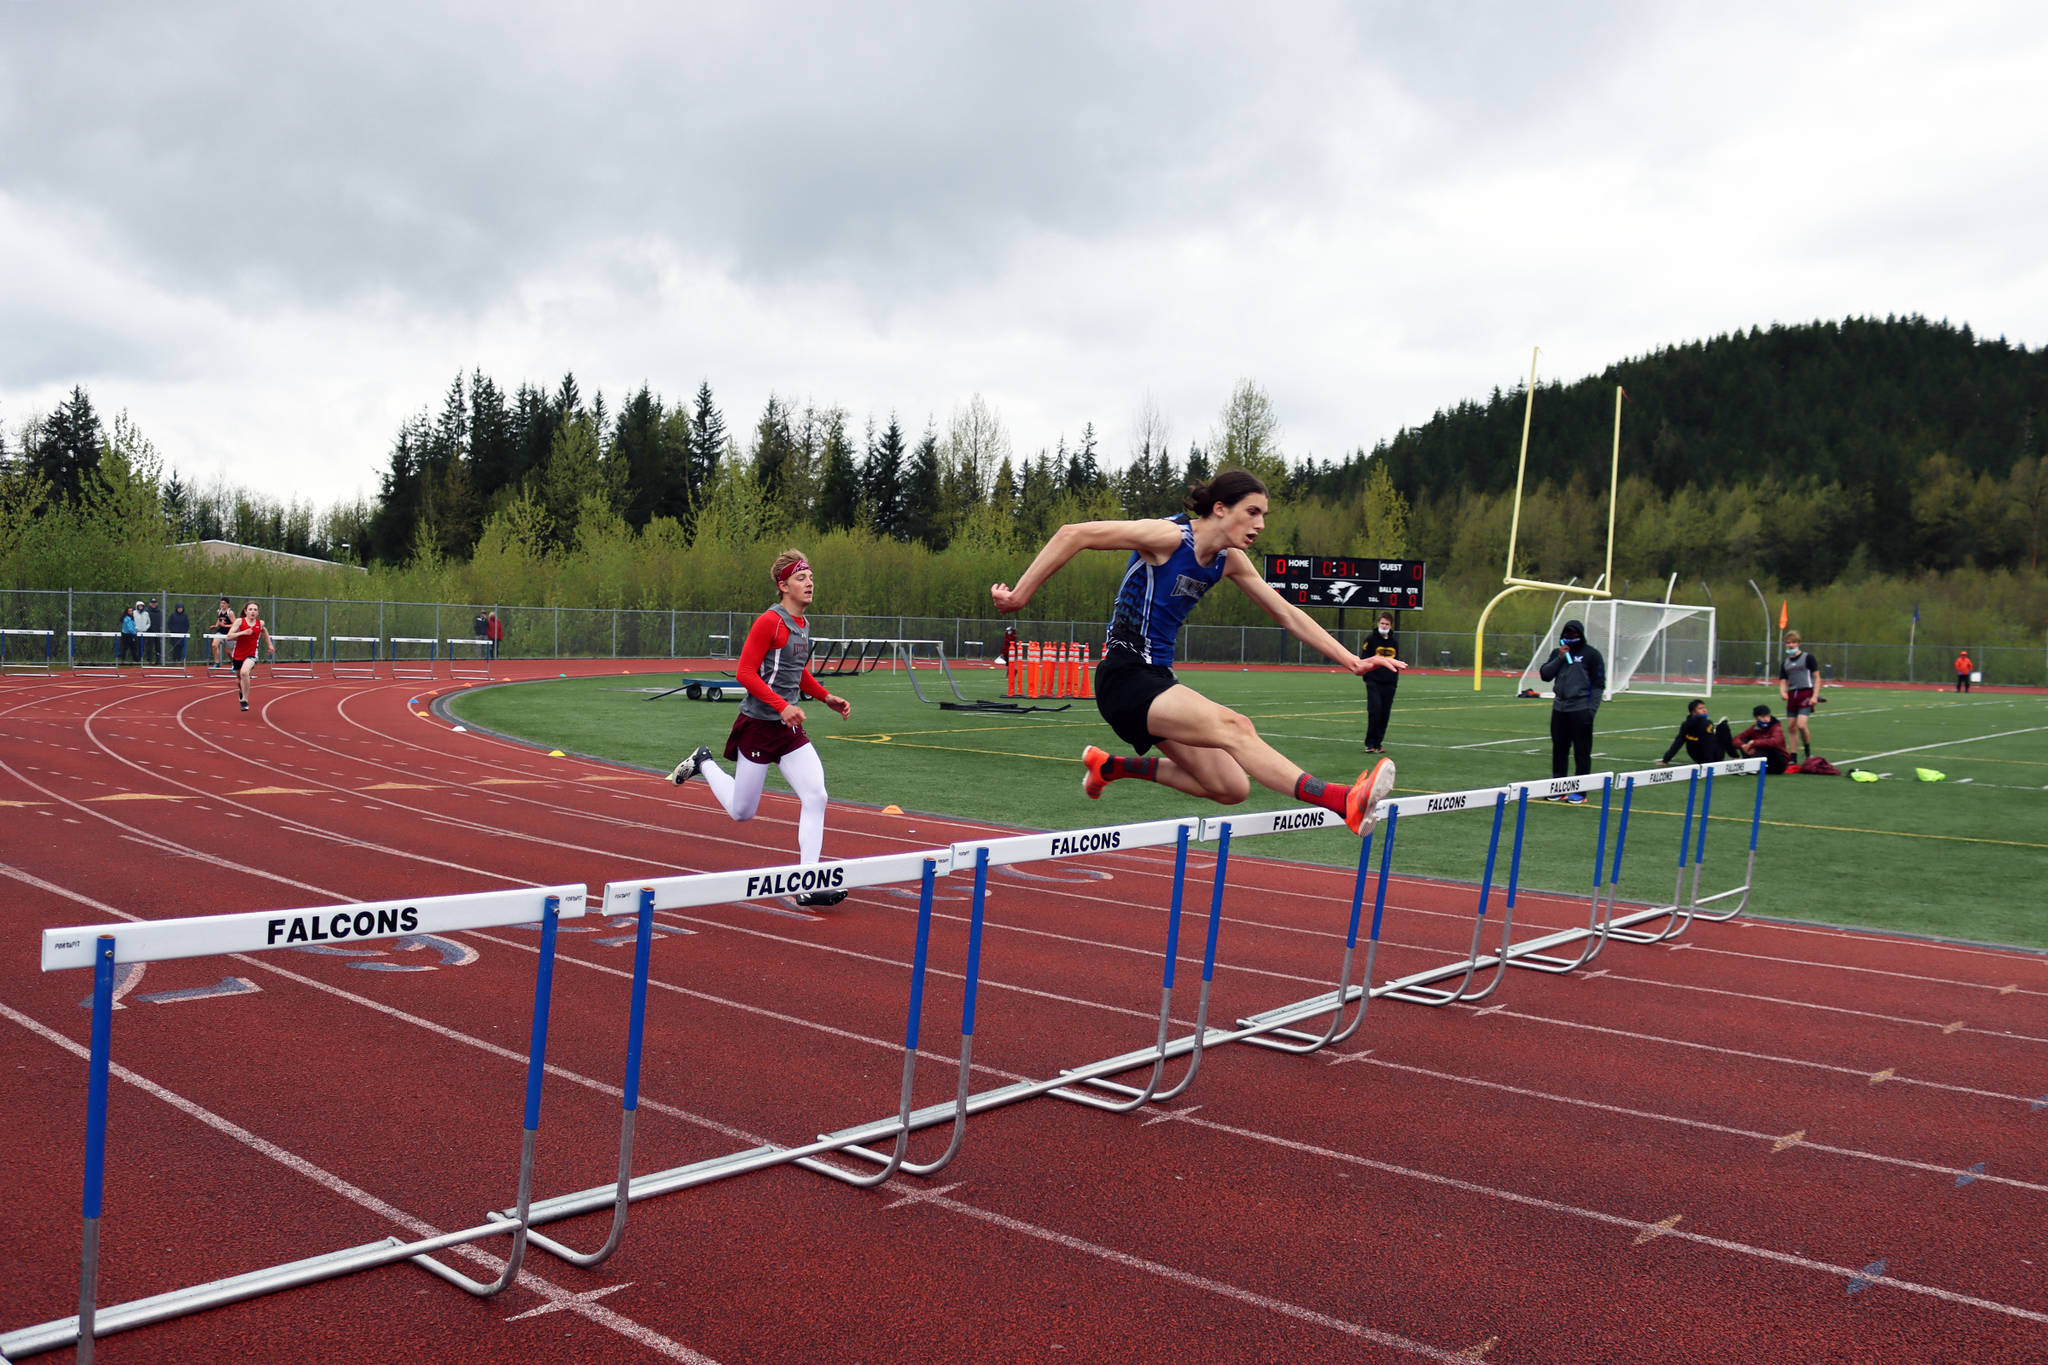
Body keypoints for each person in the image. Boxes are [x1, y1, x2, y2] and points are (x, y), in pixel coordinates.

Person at [990, 469, 1398, 833]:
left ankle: (1111, 766)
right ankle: (1342, 800)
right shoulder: (1169, 538)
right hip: (1125, 676)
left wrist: (1353, 660)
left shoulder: (1230, 561)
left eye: (1264, 516)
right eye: (1252, 512)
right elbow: (1073, 533)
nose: (1259, 524)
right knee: (1235, 727)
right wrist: (1019, 596)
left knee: (1231, 787)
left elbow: (1287, 613)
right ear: (1220, 508)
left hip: (1157, 680)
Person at [667, 549, 853, 907]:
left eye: (811, 576)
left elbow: (795, 672)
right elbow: (744, 673)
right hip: (757, 726)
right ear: (783, 586)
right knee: (742, 812)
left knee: (817, 796)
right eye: (801, 578)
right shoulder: (771, 622)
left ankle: (807, 883)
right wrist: (782, 706)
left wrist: (826, 696)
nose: (810, 582)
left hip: (787, 728)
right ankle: (703, 761)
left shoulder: (803, 626)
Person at [1537, 618, 1604, 802]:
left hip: (1581, 708)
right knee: (1559, 749)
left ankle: (1581, 791)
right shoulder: (1557, 653)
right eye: (1567, 633)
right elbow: (1545, 675)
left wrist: (1591, 710)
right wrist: (1560, 657)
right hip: (1559, 708)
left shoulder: (1592, 655)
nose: (1570, 637)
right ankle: (1558, 787)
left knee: (1582, 751)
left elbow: (1598, 685)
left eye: (1574, 634)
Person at [1361, 612, 1406, 753]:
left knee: (1385, 713)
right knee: (1375, 710)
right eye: (1382, 623)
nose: (1384, 626)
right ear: (1378, 623)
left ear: (1390, 625)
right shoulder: (1370, 639)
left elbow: (1396, 662)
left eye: (1387, 624)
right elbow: (1364, 659)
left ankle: (1379, 743)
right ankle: (1370, 743)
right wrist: (1368, 677)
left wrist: (1394, 680)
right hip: (1374, 681)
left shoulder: (1394, 642)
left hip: (1389, 683)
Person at [1778, 630, 1822, 763]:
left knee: (1801, 725)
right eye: (1788, 643)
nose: (1790, 645)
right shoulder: (1785, 663)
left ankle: (1808, 751)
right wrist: (1783, 692)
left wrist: (1815, 696)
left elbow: (1817, 678)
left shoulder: (1808, 658)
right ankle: (1793, 756)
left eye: (1793, 642)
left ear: (1798, 643)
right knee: (1791, 726)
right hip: (1793, 695)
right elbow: (1783, 680)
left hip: (1805, 693)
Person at [1659, 698, 1738, 766]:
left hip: (1696, 757)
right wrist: (1709, 764)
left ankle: (1734, 756)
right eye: (1700, 708)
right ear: (1693, 712)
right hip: (1711, 759)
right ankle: (1735, 756)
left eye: (1704, 707)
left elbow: (1678, 742)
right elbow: (1708, 745)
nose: (1704, 710)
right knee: (1723, 727)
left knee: (1715, 733)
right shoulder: (1707, 723)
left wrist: (1665, 760)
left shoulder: (1685, 724)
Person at [224, 601, 271, 712]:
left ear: (258, 612)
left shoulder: (261, 623)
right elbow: (228, 637)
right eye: (250, 609)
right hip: (238, 654)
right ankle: (241, 691)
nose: (252, 612)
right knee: (239, 680)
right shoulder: (240, 621)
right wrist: (242, 633)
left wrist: (270, 645)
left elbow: (264, 632)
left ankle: (245, 700)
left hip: (252, 654)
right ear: (246, 611)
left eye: (255, 610)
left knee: (244, 672)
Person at [1734, 703, 1794, 774]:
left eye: (1768, 716)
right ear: (1756, 718)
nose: (1766, 719)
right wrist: (1743, 746)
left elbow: (1775, 742)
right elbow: (1736, 739)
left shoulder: (1776, 727)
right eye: (1763, 717)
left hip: (1779, 763)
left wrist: (1754, 743)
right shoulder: (1754, 728)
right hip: (1765, 759)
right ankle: (1751, 766)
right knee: (1744, 740)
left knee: (1766, 745)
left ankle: (1752, 766)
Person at [210, 596, 234, 668]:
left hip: (229, 633)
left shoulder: (230, 612)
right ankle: (217, 662)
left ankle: (234, 663)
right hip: (220, 632)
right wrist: (216, 625)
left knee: (228, 652)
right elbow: (219, 619)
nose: (222, 605)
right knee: (214, 645)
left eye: (224, 603)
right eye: (221, 603)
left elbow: (235, 624)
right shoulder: (219, 611)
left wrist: (225, 626)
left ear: (227, 604)